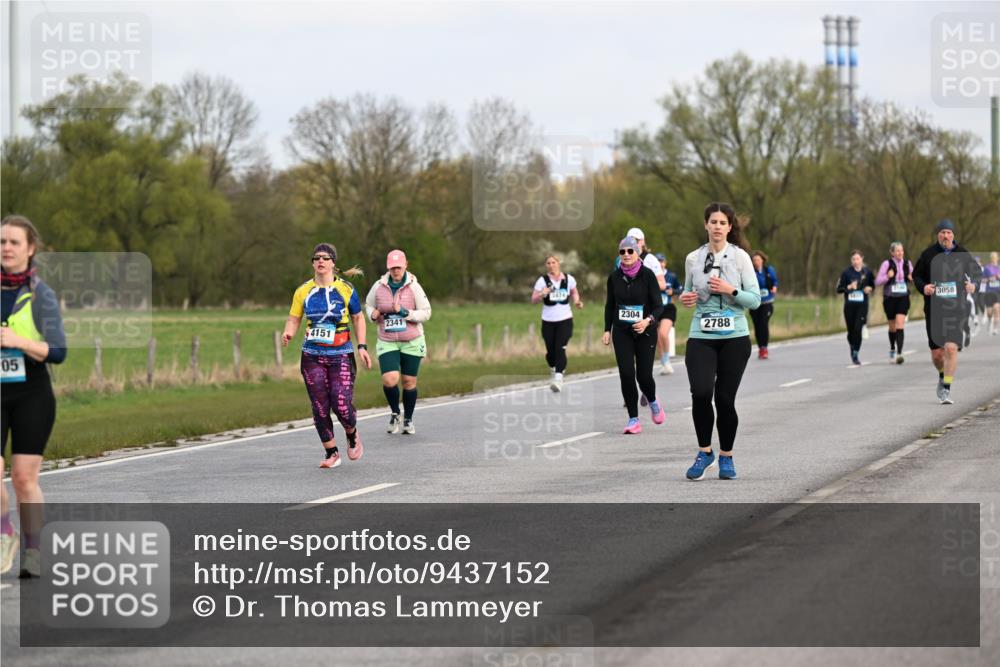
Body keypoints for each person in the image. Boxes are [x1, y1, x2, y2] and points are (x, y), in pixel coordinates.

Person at [1, 215, 67, 577]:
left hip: (32, 394)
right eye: (1, 242)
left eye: (13, 242)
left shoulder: (41, 294)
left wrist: (18, 342)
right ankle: (3, 533)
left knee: (24, 478)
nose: (6, 248)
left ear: (30, 249)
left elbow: (58, 351)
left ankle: (33, 550)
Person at [679, 203, 760, 481]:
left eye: (722, 222)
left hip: (734, 338)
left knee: (724, 399)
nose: (716, 226)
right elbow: (688, 292)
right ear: (705, 225)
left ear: (729, 227)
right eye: (712, 222)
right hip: (701, 336)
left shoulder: (741, 258)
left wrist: (730, 289)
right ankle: (705, 452)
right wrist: (685, 298)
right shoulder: (692, 259)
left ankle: (727, 456)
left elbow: (755, 299)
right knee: (700, 393)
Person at [282, 243, 371, 468]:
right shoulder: (303, 291)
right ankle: (331, 452)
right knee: (320, 405)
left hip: (340, 354)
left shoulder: (346, 289)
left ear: (333, 263)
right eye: (316, 258)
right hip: (312, 354)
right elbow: (294, 318)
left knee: (341, 404)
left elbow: (358, 318)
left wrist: (362, 346)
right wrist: (289, 333)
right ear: (313, 263)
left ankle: (351, 433)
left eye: (325, 257)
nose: (320, 261)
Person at [912, 219, 982, 405]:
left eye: (949, 232)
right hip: (934, 310)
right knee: (937, 354)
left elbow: (977, 272)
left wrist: (973, 285)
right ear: (938, 235)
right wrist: (924, 286)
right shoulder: (928, 254)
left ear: (953, 235)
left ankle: (946, 388)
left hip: (956, 309)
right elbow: (916, 276)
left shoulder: (962, 253)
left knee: (951, 348)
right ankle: (942, 375)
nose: (946, 235)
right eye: (943, 232)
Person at [603, 236, 665, 434]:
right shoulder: (614, 278)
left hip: (645, 330)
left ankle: (653, 401)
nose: (626, 255)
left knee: (643, 376)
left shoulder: (647, 275)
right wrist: (607, 330)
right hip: (622, 331)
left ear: (638, 253)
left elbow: (658, 306)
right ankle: (633, 419)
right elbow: (610, 306)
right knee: (627, 374)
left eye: (630, 251)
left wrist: (647, 321)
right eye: (623, 252)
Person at [366, 249, 432, 435]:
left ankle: (408, 420)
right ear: (388, 268)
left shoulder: (414, 287)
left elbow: (426, 312)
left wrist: (406, 313)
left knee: (408, 381)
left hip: (412, 340)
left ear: (405, 266)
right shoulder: (379, 285)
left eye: (399, 267)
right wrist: (372, 314)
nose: (396, 271)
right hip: (387, 340)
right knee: (390, 379)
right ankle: (395, 412)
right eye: (392, 267)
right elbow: (369, 304)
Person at [531, 254, 582, 392]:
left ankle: (558, 378)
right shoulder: (542, 281)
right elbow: (533, 300)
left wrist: (577, 301)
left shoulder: (569, 279)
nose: (551, 265)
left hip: (565, 319)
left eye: (553, 262)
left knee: (561, 348)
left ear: (558, 263)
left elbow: (574, 293)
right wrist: (542, 294)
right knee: (550, 352)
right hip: (548, 321)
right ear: (546, 265)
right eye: (548, 263)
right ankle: (554, 368)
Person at [875, 242, 914, 364]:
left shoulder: (907, 264)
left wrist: (912, 278)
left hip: (903, 297)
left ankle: (899, 353)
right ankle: (892, 348)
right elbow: (877, 281)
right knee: (892, 327)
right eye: (897, 251)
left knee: (899, 325)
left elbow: (914, 277)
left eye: (901, 251)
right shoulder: (887, 264)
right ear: (892, 252)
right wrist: (887, 276)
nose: (900, 253)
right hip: (890, 298)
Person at [836, 250, 875, 365]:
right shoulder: (846, 273)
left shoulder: (867, 272)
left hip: (862, 306)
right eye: (853, 259)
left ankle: (855, 353)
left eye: (858, 259)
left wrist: (870, 288)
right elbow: (839, 289)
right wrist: (848, 286)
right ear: (851, 260)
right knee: (851, 332)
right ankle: (852, 345)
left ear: (862, 259)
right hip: (849, 306)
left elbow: (873, 284)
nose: (856, 261)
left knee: (858, 329)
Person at [655, 253, 682, 375]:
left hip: (668, 308)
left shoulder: (671, 276)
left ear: (665, 263)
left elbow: (681, 289)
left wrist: (673, 291)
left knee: (663, 334)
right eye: (658, 261)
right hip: (655, 309)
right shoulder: (650, 275)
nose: (660, 264)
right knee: (657, 339)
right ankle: (664, 363)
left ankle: (667, 361)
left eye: (662, 261)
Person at [749, 251, 778, 359]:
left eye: (758, 259)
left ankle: (764, 348)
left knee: (763, 324)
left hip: (767, 302)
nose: (756, 261)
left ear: (762, 260)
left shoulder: (768, 270)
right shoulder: (751, 272)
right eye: (754, 260)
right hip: (755, 303)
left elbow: (775, 281)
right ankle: (760, 347)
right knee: (757, 325)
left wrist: (775, 287)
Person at [984, 252, 1000, 336]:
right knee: (989, 312)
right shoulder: (987, 268)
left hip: (998, 291)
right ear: (991, 258)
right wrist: (990, 279)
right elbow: (983, 280)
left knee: (997, 308)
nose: (994, 259)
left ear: (997, 258)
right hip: (989, 292)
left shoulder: (999, 268)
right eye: (993, 257)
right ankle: (990, 320)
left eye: (995, 257)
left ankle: (995, 328)